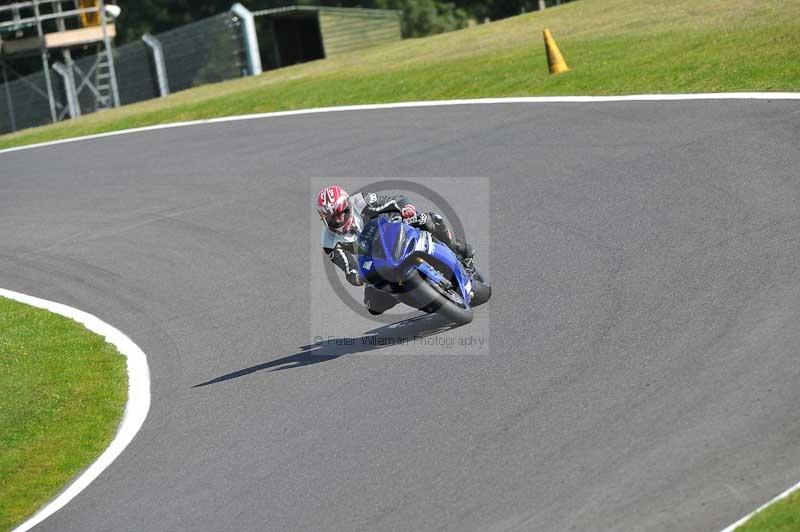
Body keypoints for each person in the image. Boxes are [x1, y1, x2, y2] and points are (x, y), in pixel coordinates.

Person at [316, 185, 478, 315]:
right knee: (373, 306)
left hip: (394, 230)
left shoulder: (361, 201)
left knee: (431, 219)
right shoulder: (329, 241)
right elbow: (348, 267)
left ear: (347, 207)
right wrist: (356, 277)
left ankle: (456, 247)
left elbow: (395, 201)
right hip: (375, 259)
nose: (337, 220)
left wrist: (406, 208)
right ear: (323, 218)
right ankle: (412, 297)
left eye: (340, 213)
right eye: (331, 218)